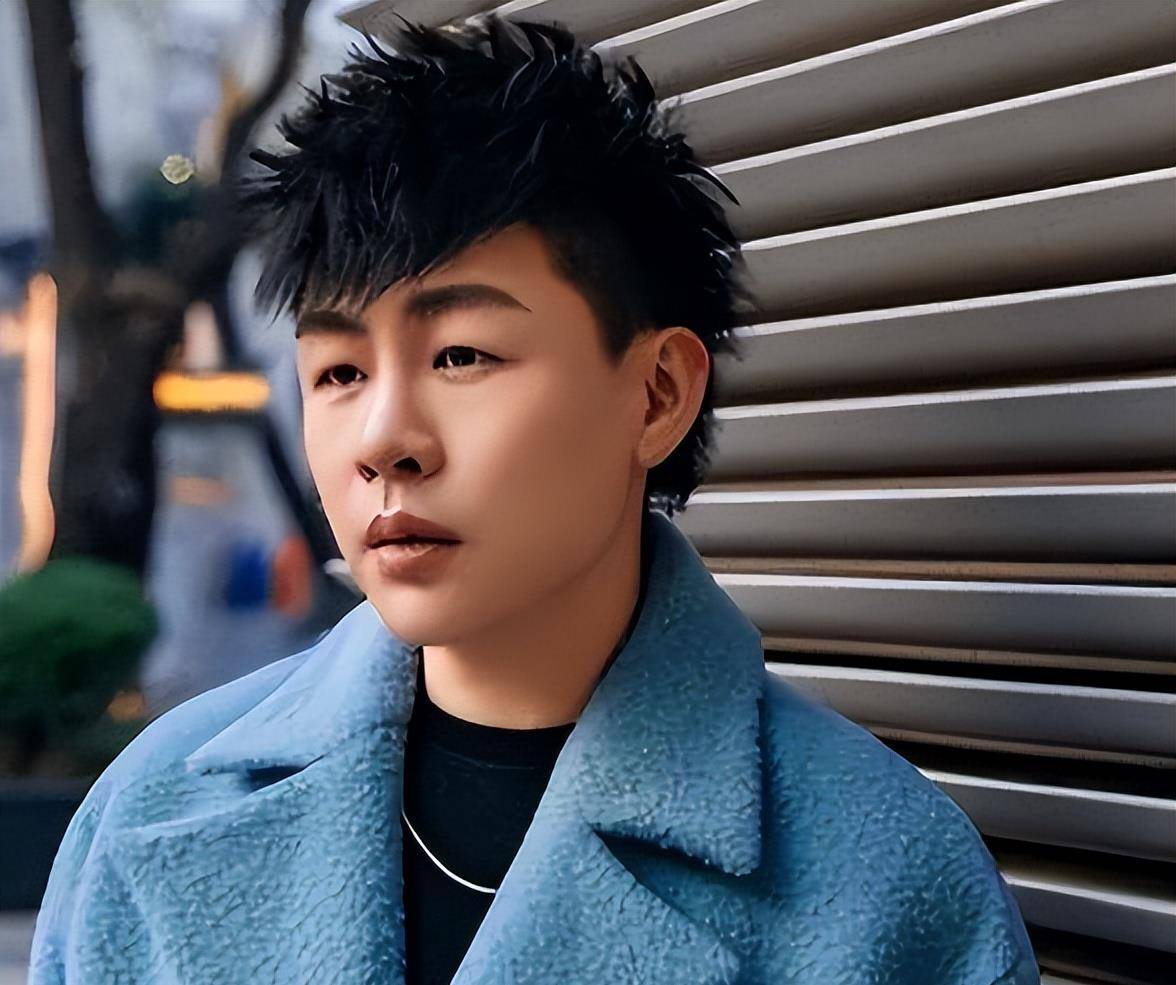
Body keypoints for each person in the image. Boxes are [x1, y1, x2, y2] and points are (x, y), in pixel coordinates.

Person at [28, 15, 1039, 985]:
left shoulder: (879, 881)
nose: (383, 439)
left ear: (657, 394)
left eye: (462, 354)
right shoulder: (155, 810)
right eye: (339, 372)